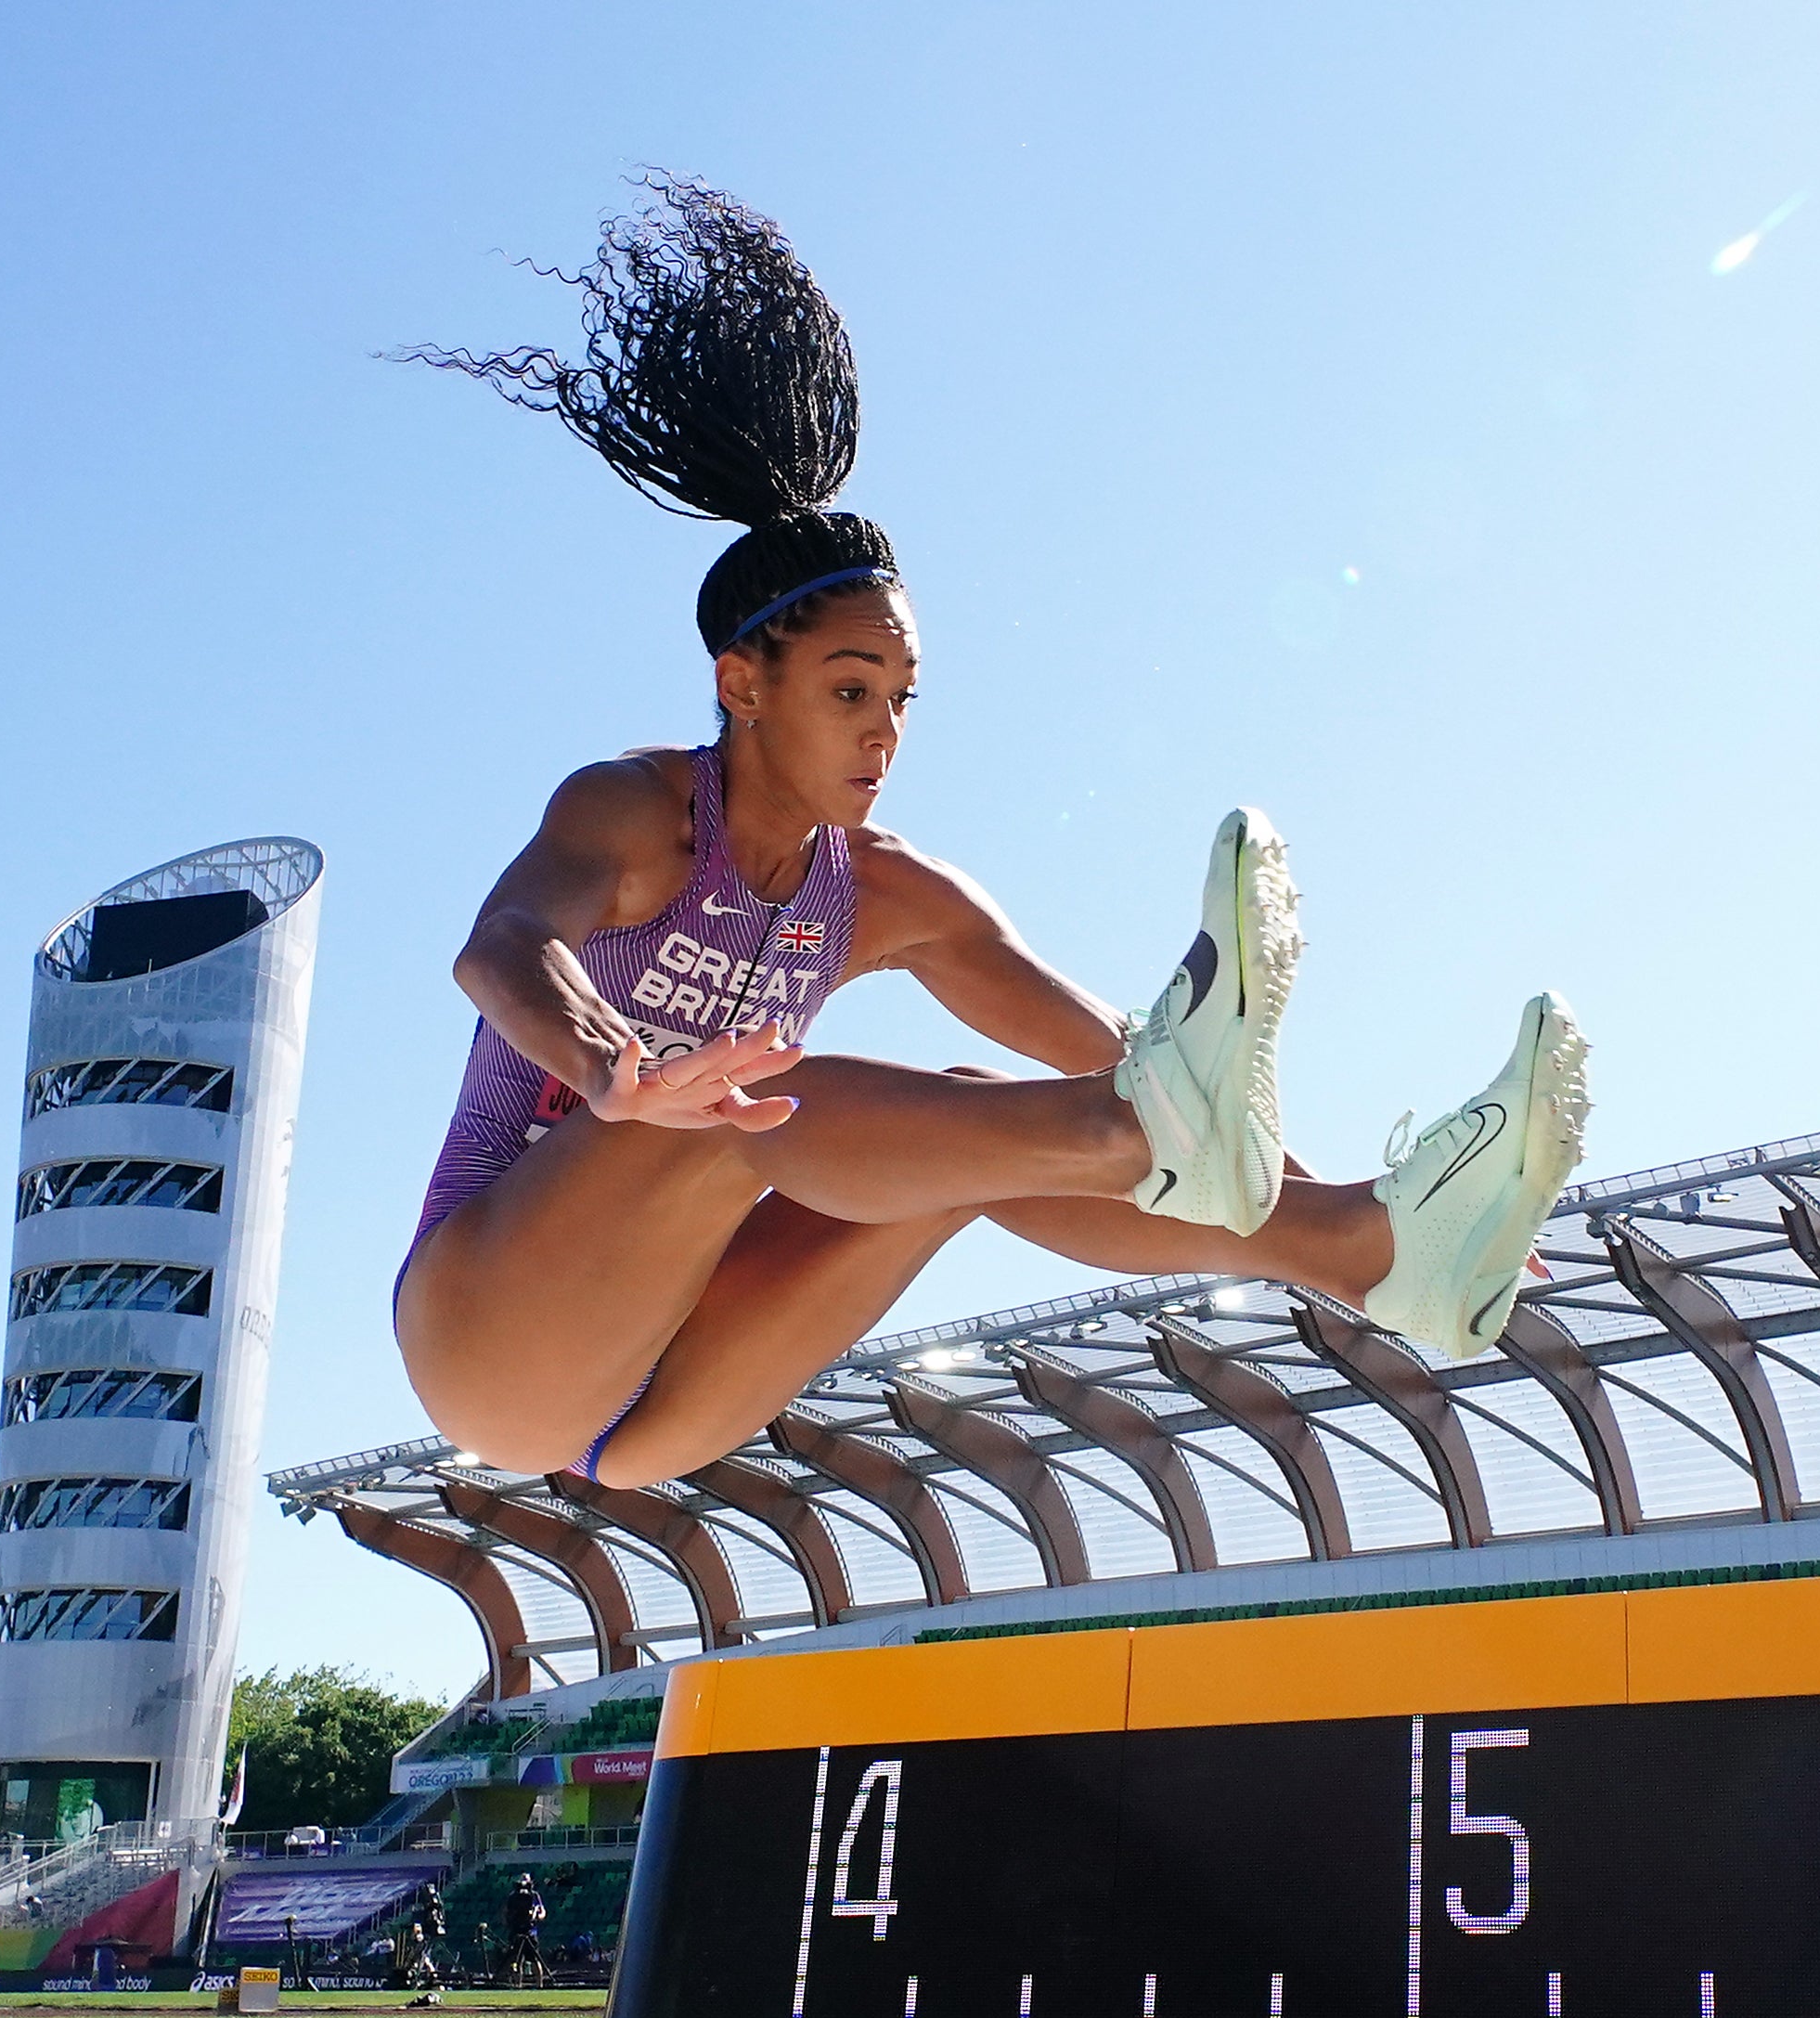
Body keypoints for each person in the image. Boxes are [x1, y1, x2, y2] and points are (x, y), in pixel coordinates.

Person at [394, 177, 1591, 1484]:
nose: (883, 731)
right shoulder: (633, 813)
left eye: (901, 698)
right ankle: (1278, 1204)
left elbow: (1156, 1084)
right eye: (850, 689)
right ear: (744, 685)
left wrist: (1294, 1189)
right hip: (493, 1334)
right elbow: (501, 945)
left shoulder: (890, 891)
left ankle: (1381, 1256)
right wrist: (608, 1064)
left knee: (976, 1127)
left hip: (670, 1398)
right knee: (762, 1109)